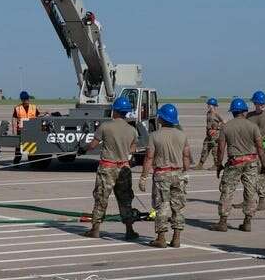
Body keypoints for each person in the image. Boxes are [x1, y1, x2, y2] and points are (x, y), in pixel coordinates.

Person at [80, 96, 139, 241]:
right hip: (124, 168)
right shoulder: (132, 130)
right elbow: (132, 150)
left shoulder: (105, 127)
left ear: (115, 111)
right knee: (125, 200)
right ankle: (129, 230)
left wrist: (83, 149)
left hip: (107, 167)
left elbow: (93, 145)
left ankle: (95, 229)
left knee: (101, 198)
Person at [210, 97, 265, 233]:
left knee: (227, 191)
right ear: (244, 111)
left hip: (234, 162)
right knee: (250, 191)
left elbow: (221, 149)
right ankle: (247, 222)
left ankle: (223, 222)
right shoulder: (253, 126)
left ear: (233, 112)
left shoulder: (226, 127)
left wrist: (218, 164)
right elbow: (260, 147)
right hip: (251, 162)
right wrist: (264, 163)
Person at [139, 103, 192, 248]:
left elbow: (149, 158)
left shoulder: (154, 136)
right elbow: (186, 156)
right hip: (179, 174)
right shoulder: (182, 135)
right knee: (178, 207)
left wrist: (143, 177)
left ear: (161, 119)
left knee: (162, 206)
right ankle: (176, 238)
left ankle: (161, 237)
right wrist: (185, 172)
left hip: (162, 174)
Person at [12, 91, 40, 164]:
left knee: (31, 147)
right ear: (21, 100)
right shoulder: (17, 108)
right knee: (18, 148)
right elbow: (14, 119)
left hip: (31, 130)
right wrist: (14, 131)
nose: (26, 101)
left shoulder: (34, 107)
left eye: (27, 99)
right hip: (21, 130)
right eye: (24, 99)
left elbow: (38, 117)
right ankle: (16, 162)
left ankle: (31, 161)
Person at [196, 98, 223, 170]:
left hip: (215, 136)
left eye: (209, 104)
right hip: (208, 135)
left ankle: (216, 165)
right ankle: (200, 165)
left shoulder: (216, 114)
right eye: (208, 104)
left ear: (213, 105)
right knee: (205, 149)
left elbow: (223, 123)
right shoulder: (208, 113)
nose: (208, 106)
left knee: (215, 151)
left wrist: (216, 129)